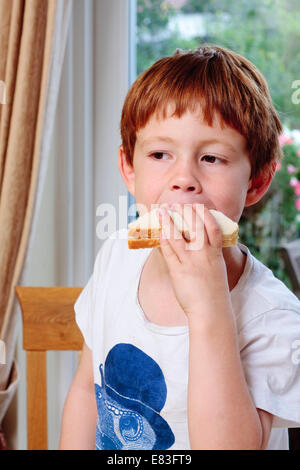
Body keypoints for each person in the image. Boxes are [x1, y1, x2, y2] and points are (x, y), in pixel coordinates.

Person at [59, 45, 300, 450]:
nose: (183, 178)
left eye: (211, 157)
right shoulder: (117, 256)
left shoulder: (274, 321)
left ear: (256, 182)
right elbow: (87, 390)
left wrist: (208, 305)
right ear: (129, 169)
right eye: (159, 154)